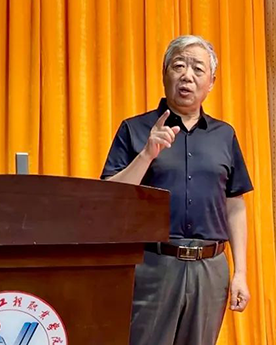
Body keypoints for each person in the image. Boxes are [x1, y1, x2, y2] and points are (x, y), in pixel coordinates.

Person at [101, 35, 253, 345]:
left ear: (211, 82)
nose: (187, 76)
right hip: (154, 265)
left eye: (198, 69)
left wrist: (240, 273)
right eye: (179, 65)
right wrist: (147, 154)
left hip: (210, 268)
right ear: (164, 73)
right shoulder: (135, 129)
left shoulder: (224, 135)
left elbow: (234, 205)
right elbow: (110, 196)